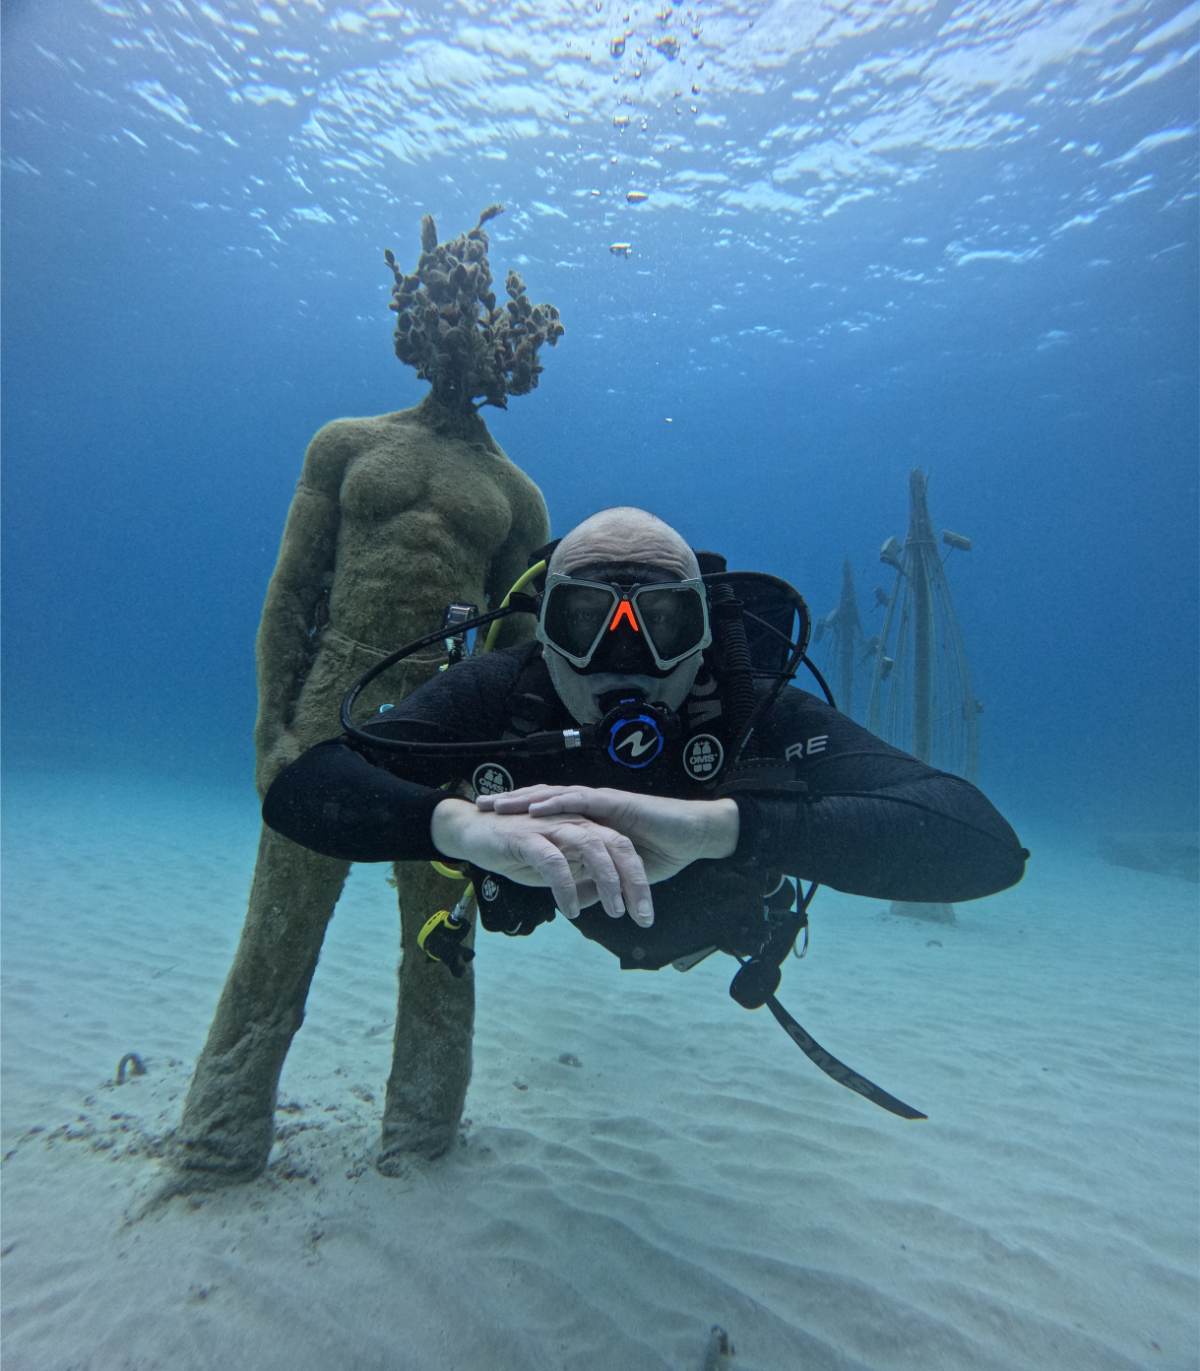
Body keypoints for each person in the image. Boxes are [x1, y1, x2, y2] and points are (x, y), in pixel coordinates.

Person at [264, 507, 1028, 1117]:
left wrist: (723, 827)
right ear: (544, 625)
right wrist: (458, 826)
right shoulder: (503, 692)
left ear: (702, 633)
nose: (622, 654)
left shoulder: (745, 705)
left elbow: (984, 843)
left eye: (660, 620)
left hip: (717, 918)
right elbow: (304, 788)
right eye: (583, 618)